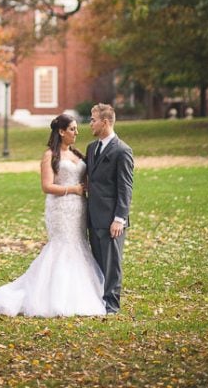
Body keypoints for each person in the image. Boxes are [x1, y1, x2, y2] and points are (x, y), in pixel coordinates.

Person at [0, 113, 106, 318]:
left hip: (79, 209)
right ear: (61, 132)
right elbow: (47, 186)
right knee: (62, 246)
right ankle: (54, 297)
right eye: (72, 129)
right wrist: (73, 189)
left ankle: (80, 291)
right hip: (60, 209)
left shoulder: (78, 154)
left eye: (76, 129)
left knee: (79, 244)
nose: (76, 132)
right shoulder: (50, 156)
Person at [86, 103, 134, 315]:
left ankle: (112, 306)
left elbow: (126, 187)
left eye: (93, 120)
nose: (90, 124)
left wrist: (119, 219)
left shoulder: (122, 151)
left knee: (112, 264)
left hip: (112, 220)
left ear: (105, 122)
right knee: (97, 263)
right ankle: (97, 301)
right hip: (93, 217)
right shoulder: (91, 148)